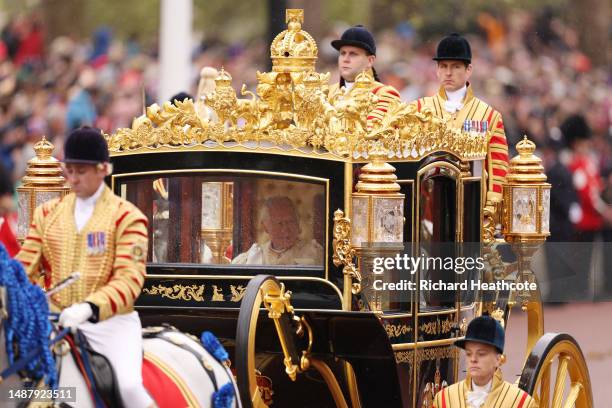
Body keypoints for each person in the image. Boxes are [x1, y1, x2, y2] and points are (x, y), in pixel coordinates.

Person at [16, 127, 154, 407]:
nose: (74, 178)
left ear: (103, 169)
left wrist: (90, 307)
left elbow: (130, 280)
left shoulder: (128, 218)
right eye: (70, 170)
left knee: (130, 389)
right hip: (56, 323)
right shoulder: (47, 214)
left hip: (110, 326)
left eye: (82, 171)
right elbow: (24, 266)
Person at [411, 33, 509, 210]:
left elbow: (498, 169)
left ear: (468, 69)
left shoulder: (489, 116)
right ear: (437, 69)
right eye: (443, 66)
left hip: (472, 205)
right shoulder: (418, 110)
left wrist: (492, 206)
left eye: (456, 66)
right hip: (428, 204)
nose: (448, 72)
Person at [433, 316, 536, 408]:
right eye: (469, 353)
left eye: (481, 354)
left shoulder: (522, 403)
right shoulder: (444, 400)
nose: (473, 359)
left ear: (498, 360)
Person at [328, 25, 401, 132]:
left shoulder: (384, 94)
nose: (345, 59)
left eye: (353, 54)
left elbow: (374, 135)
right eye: (343, 53)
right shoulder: (328, 92)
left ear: (370, 61)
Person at [232, 196, 323, 265]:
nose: (285, 229)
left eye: (290, 222)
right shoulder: (255, 254)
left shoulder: (314, 252)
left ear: (298, 222)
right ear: (266, 227)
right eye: (279, 223)